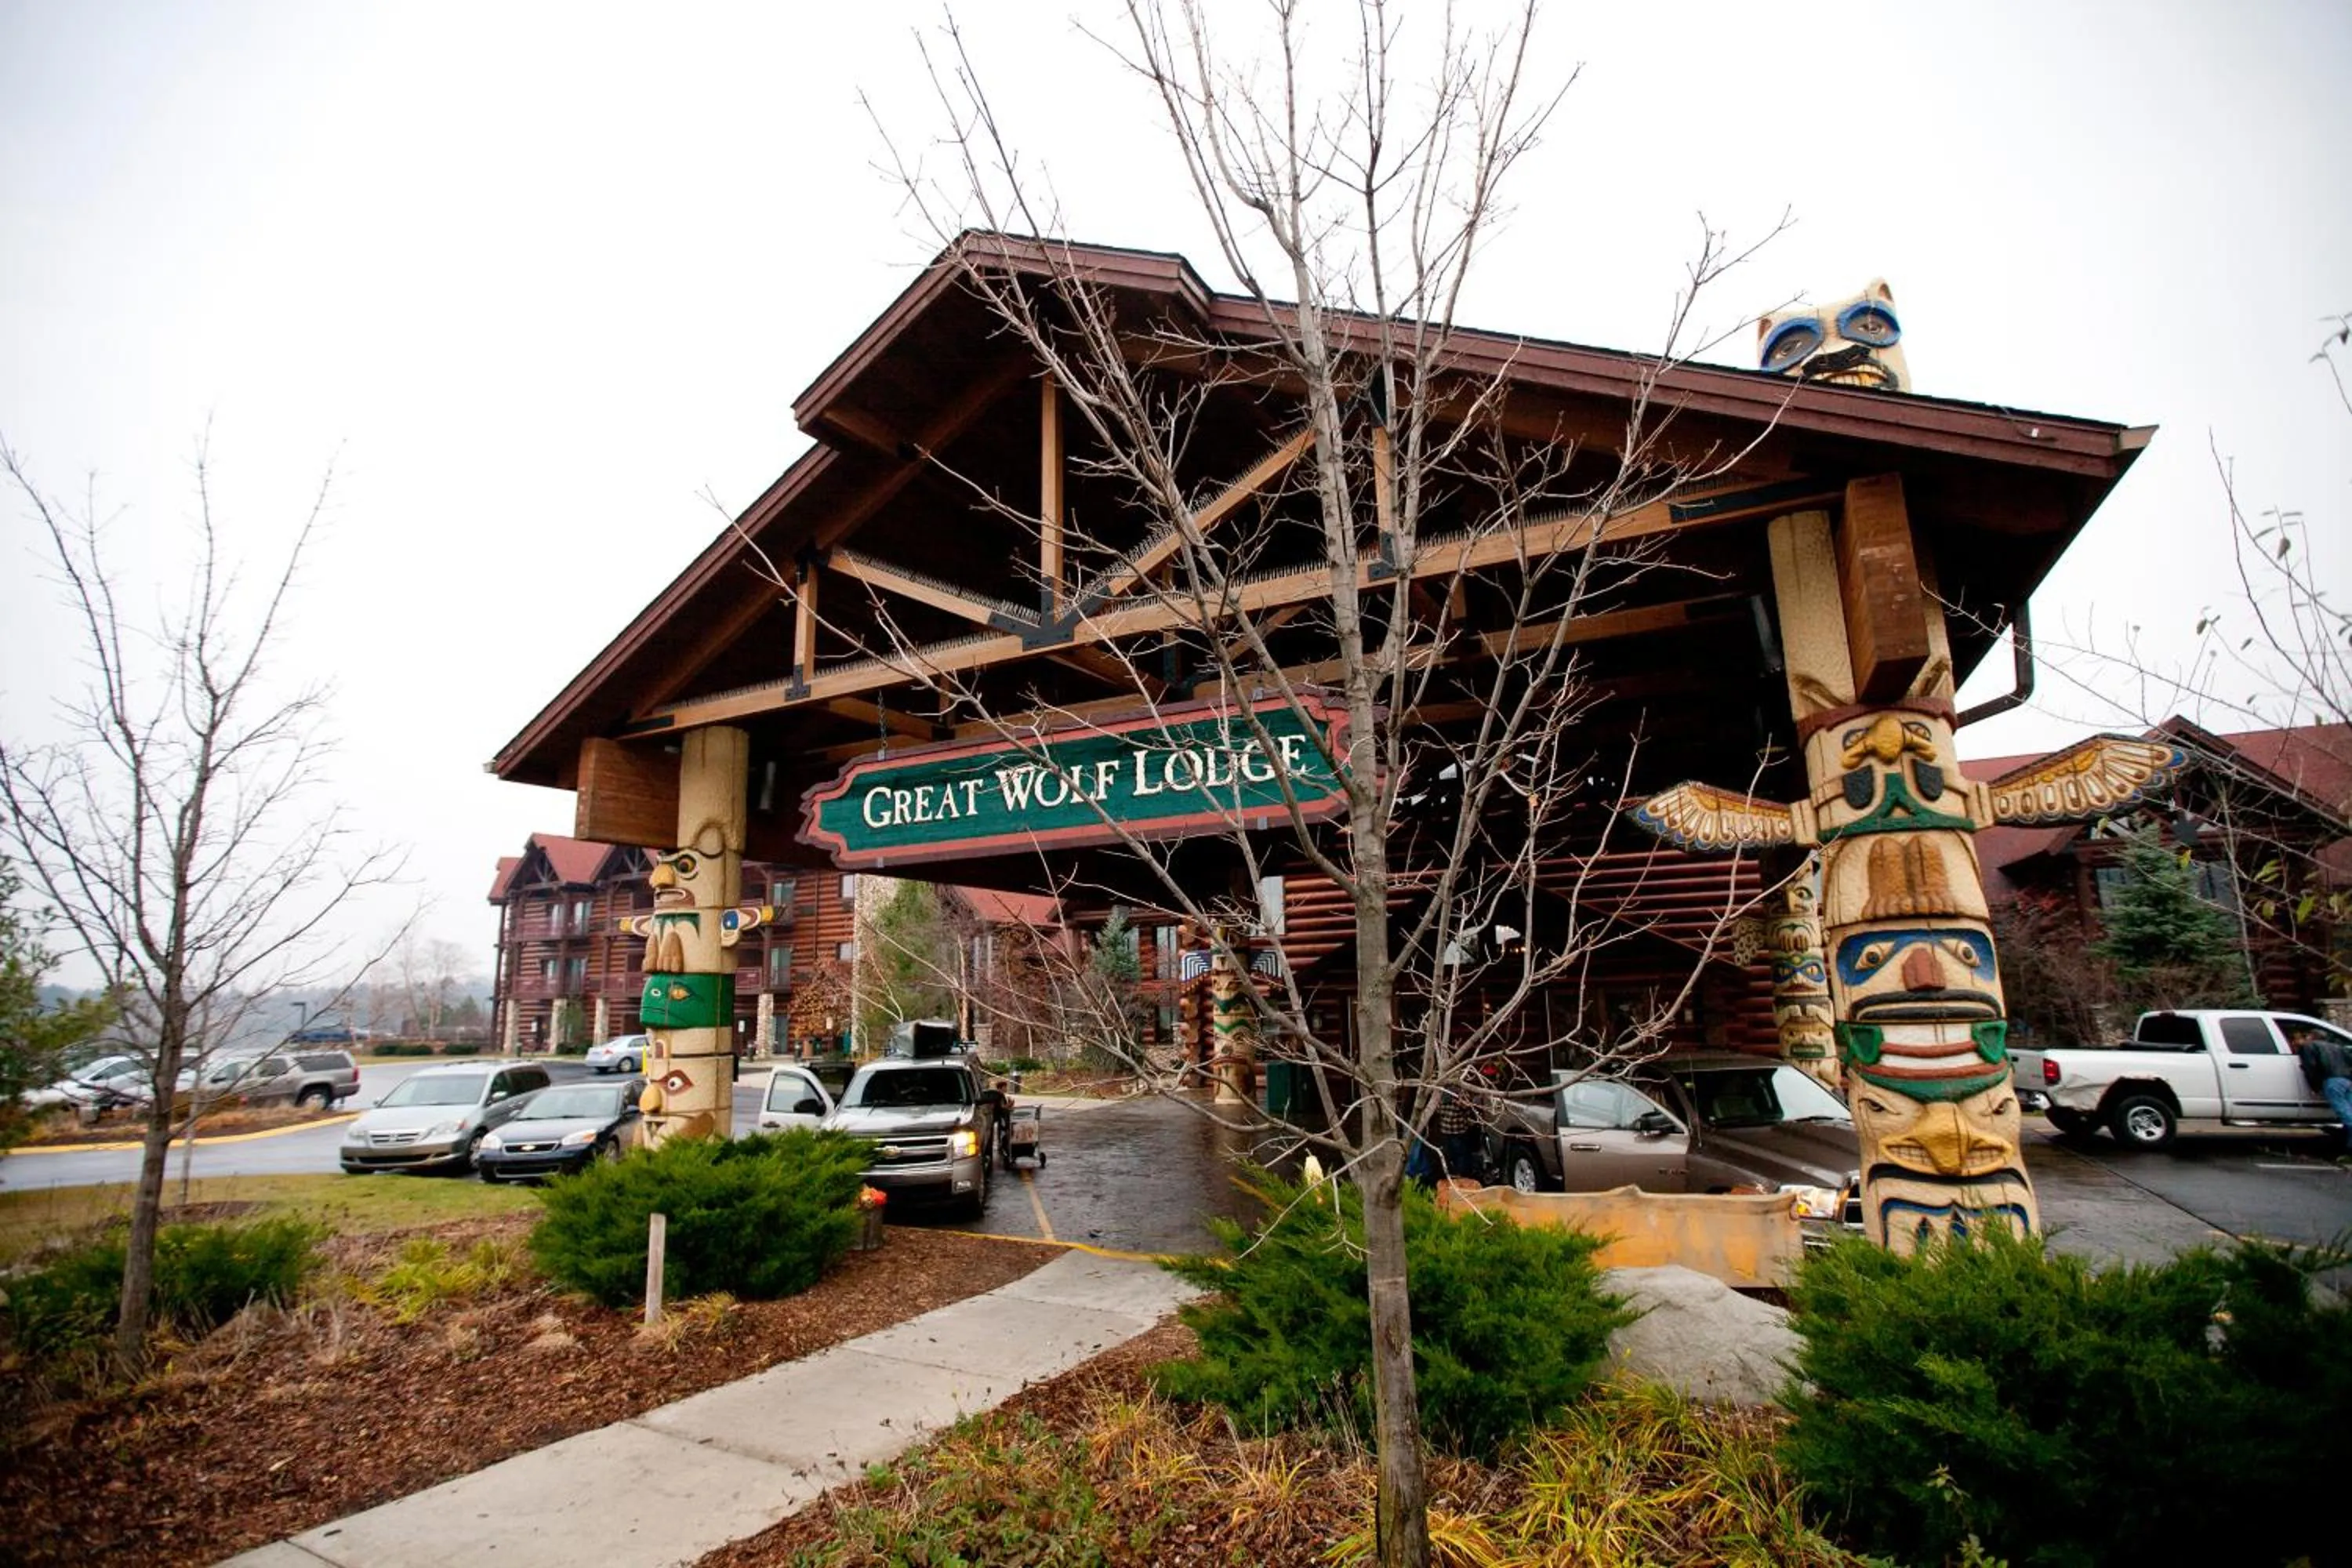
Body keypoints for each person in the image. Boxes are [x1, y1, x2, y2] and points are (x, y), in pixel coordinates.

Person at [2289, 1024, 2352, 1138]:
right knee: (2349, 1109)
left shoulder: (2309, 1047)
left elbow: (2310, 1067)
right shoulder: (2338, 1047)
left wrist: (2315, 1087)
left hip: (2332, 1081)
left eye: (2307, 1036)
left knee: (2343, 1111)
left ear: (2311, 1037)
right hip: (2347, 1081)